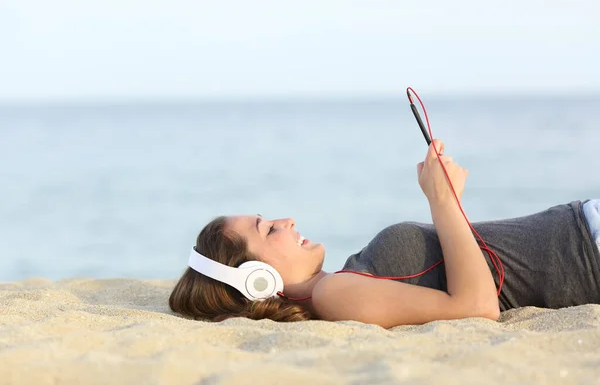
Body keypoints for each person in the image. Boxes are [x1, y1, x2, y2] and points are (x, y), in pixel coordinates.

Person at [169, 139, 600, 329]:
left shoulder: (345, 282)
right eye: (268, 229)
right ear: (257, 279)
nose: (288, 221)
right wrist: (443, 200)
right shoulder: (333, 295)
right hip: (587, 248)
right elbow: (476, 306)